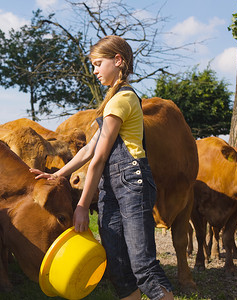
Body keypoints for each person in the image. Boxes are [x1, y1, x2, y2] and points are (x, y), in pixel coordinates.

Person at [30, 35, 174, 300]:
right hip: (112, 185)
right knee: (117, 263)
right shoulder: (112, 101)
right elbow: (88, 149)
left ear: (118, 61)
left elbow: (98, 158)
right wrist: (57, 174)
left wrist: (82, 205)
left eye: (98, 63)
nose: (94, 70)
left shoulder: (123, 99)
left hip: (132, 183)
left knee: (142, 263)